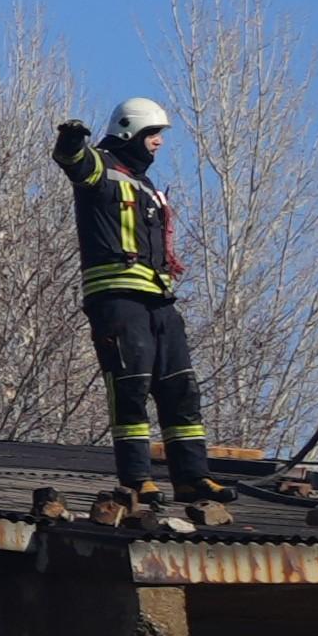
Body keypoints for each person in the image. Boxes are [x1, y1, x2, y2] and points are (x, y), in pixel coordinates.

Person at [58, 97, 212, 507]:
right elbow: (74, 163)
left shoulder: (144, 184)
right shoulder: (101, 167)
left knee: (181, 386)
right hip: (117, 300)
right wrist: (71, 141)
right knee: (131, 386)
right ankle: (137, 479)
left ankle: (193, 477)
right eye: (153, 134)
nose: (159, 142)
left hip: (159, 300)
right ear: (131, 132)